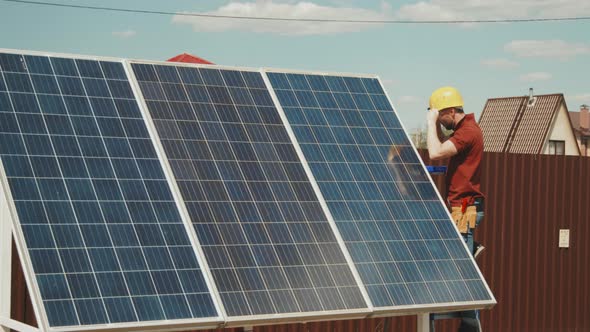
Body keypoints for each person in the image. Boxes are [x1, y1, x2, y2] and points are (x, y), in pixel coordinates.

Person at [426, 86, 485, 332]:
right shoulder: (465, 129)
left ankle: (469, 328)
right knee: (461, 267)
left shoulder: (468, 132)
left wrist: (429, 123)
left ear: (451, 111)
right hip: (463, 208)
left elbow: (435, 152)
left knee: (463, 271)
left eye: (441, 118)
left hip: (464, 209)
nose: (440, 123)